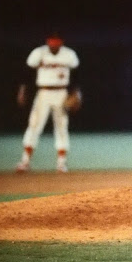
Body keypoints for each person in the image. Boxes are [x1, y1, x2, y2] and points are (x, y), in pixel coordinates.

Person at [15, 33, 81, 173]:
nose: (54, 44)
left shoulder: (69, 54)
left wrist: (77, 93)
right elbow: (26, 73)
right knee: (34, 125)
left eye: (56, 41)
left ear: (61, 42)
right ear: (47, 41)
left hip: (61, 93)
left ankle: (61, 164)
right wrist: (22, 91)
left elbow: (76, 75)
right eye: (51, 41)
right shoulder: (39, 53)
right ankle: (25, 162)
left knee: (61, 127)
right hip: (43, 93)